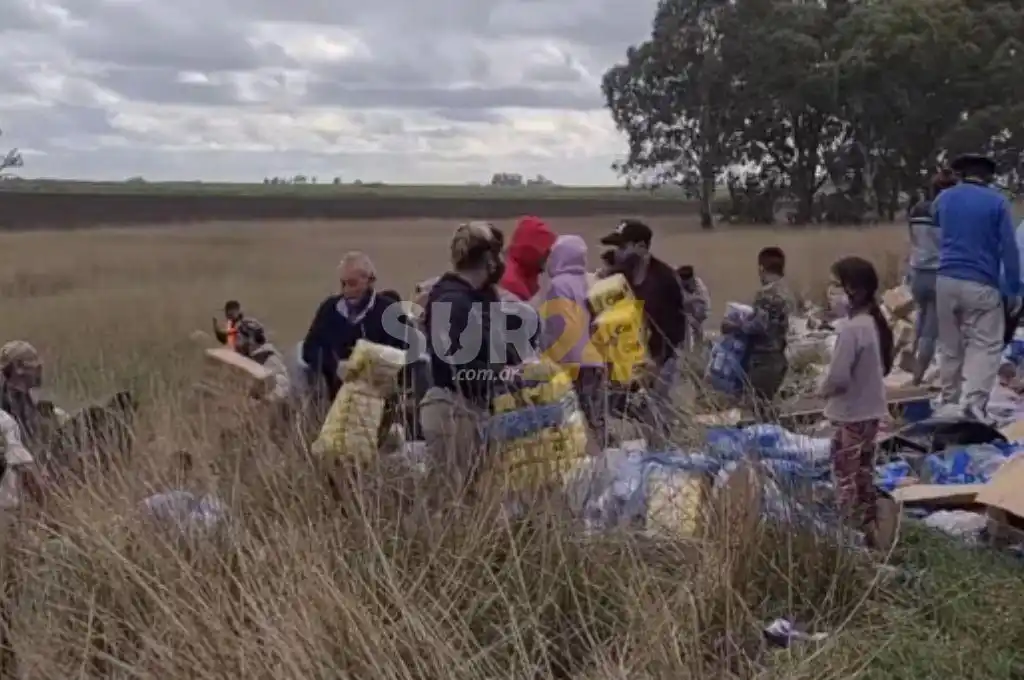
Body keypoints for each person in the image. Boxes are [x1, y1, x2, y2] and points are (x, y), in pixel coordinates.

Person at [420, 221, 511, 492]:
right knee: (450, 499)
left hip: (471, 410)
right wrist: (500, 377)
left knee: (468, 496)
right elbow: (459, 365)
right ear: (488, 259)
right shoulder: (453, 301)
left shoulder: (476, 297)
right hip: (454, 411)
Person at [933, 153, 1021, 421]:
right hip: (981, 282)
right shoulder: (997, 202)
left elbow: (937, 226)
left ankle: (947, 402)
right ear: (989, 176)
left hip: (946, 280)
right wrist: (1013, 289)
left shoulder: (944, 199)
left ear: (960, 173)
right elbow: (1009, 249)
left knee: (950, 346)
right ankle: (974, 405)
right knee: (986, 345)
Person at [819, 257, 893, 547]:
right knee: (863, 473)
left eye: (837, 285)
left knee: (845, 476)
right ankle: (871, 528)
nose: (832, 292)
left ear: (856, 291)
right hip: (870, 413)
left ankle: (849, 538)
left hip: (850, 414)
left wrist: (820, 389)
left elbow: (838, 377)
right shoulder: (871, 323)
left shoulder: (851, 330)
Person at [598, 220, 687, 440]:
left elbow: (676, 328)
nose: (617, 254)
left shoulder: (665, 279)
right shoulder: (616, 278)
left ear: (641, 247)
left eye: (622, 247)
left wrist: (658, 363)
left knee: (656, 416)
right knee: (619, 411)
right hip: (624, 361)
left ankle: (660, 454)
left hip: (660, 360)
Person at [301, 251, 406, 403]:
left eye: (352, 284)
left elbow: (403, 353)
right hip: (336, 398)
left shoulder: (390, 312)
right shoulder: (330, 309)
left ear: (370, 281)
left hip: (380, 397)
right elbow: (309, 348)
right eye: (343, 284)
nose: (346, 291)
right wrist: (335, 365)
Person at [538, 235, 607, 448]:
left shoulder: (558, 285)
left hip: (570, 364)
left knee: (574, 421)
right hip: (596, 360)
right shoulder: (592, 282)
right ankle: (603, 464)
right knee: (597, 418)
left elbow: (557, 327)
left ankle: (583, 467)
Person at [722, 247, 795, 417]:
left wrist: (734, 326)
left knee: (755, 409)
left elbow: (759, 326)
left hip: (763, 359)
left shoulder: (765, 293)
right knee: (767, 405)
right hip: (779, 356)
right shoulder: (787, 291)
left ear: (761, 268)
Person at [907, 169, 957, 384]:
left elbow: (912, 239)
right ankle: (917, 378)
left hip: (917, 271)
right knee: (931, 330)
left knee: (921, 316)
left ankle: (909, 356)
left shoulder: (917, 210)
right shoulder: (949, 213)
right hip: (939, 273)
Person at [233, 318, 292, 404]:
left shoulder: (270, 361)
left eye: (239, 338)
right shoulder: (252, 357)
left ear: (251, 339)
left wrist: (260, 403)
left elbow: (283, 390)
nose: (236, 342)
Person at [500, 215, 557, 304]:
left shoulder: (519, 275)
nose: (547, 257)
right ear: (532, 251)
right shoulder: (511, 285)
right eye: (545, 251)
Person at [677, 265, 711, 350]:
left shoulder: (700, 287)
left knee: (697, 329)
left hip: (696, 314)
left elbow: (705, 304)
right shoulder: (676, 283)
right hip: (681, 313)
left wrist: (694, 321)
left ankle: (699, 345)